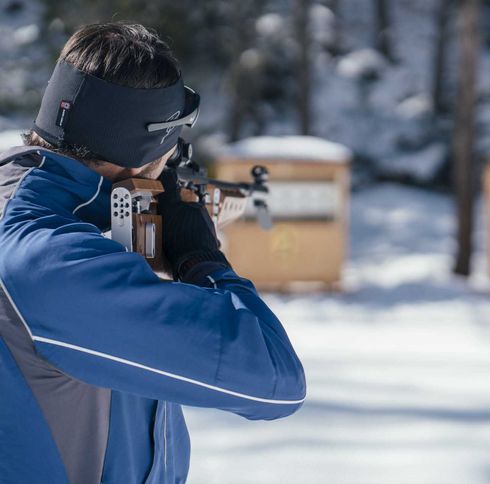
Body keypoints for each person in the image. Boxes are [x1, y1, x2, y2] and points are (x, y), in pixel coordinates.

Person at [0, 22, 306, 484]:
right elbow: (276, 381)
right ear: (147, 155)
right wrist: (202, 258)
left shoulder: (26, 210)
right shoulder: (53, 262)